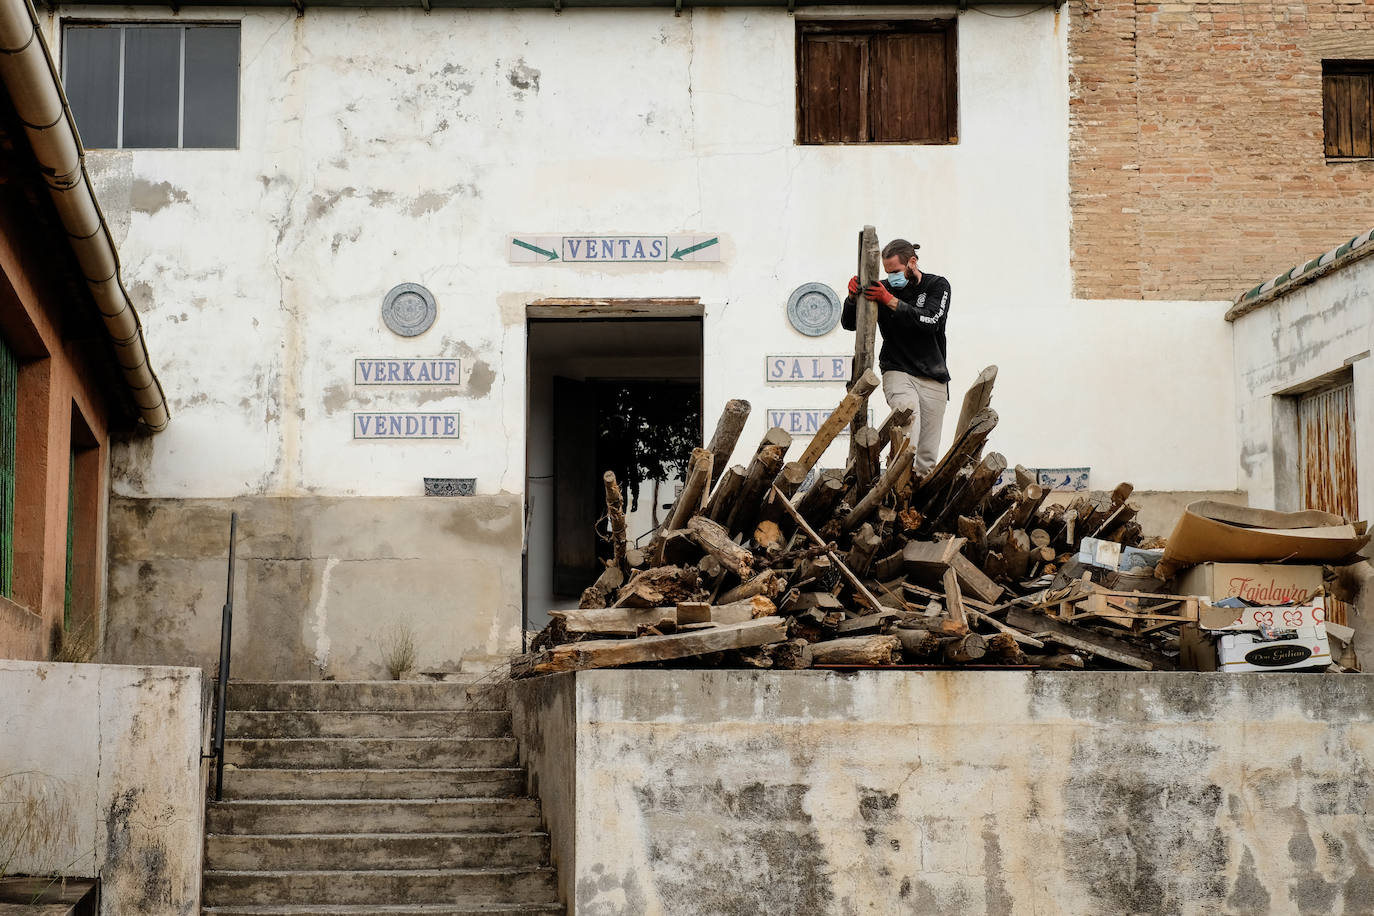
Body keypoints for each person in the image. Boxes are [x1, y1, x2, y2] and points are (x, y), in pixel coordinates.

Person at [841, 238, 951, 475]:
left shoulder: (937, 285)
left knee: (928, 452)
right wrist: (851, 299)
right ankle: (895, 482)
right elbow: (849, 324)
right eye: (888, 272)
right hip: (897, 369)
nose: (892, 277)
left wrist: (889, 301)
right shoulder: (882, 288)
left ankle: (917, 500)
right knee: (909, 425)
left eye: (897, 271)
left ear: (912, 262)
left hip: (933, 375)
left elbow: (931, 321)